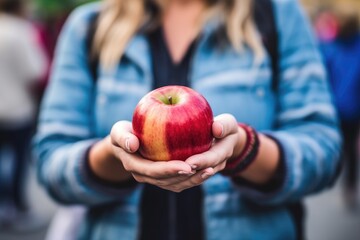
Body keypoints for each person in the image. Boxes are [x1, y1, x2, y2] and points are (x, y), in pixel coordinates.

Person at [34, 0, 341, 239]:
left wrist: (245, 150)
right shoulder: (88, 26)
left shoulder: (277, 15)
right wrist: (112, 158)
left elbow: (324, 153)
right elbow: (50, 164)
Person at [0, 0, 47, 230]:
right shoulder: (20, 31)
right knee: (19, 160)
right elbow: (36, 70)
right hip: (16, 109)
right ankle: (17, 208)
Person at [320, 4, 360, 208]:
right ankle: (346, 182)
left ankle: (346, 182)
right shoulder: (332, 46)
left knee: (345, 147)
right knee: (345, 147)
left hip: (344, 108)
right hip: (343, 108)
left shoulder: (333, 47)